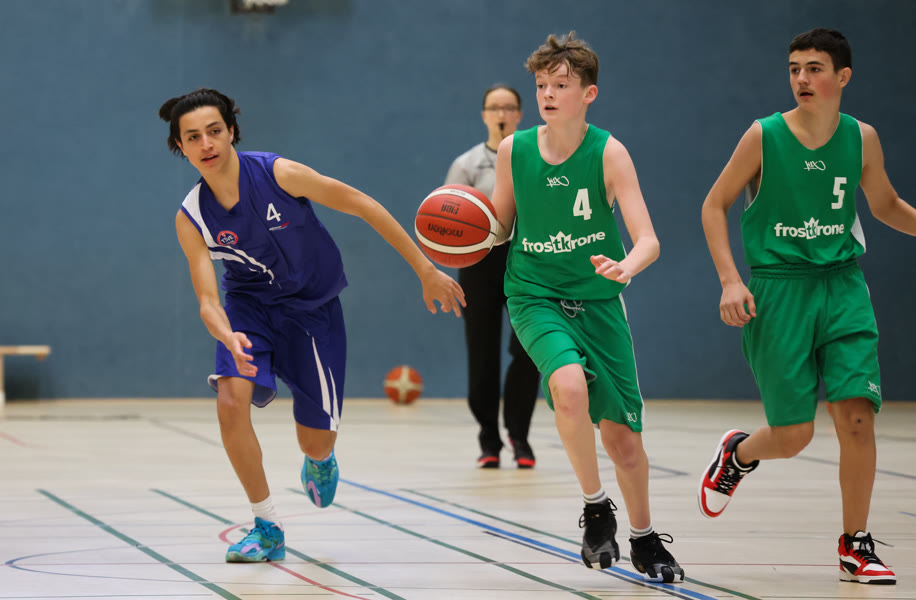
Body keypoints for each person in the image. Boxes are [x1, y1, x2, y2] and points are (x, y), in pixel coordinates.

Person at [698, 28, 916, 585]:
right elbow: (713, 205)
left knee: (855, 416)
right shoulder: (763, 135)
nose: (802, 78)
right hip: (779, 289)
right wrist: (730, 281)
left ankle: (856, 543)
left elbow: (886, 204)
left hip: (843, 286)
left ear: (843, 76)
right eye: (794, 69)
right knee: (793, 436)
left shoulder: (861, 138)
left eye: (815, 68)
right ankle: (740, 453)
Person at [161, 88, 464, 563]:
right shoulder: (192, 216)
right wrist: (225, 333)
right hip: (248, 310)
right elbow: (207, 300)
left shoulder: (279, 174)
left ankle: (320, 460)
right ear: (181, 146)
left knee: (315, 441)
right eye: (193, 137)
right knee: (230, 401)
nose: (207, 144)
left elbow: (362, 204)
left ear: (232, 131)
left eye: (214, 131)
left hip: (312, 310)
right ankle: (267, 527)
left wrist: (425, 269)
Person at [489, 32, 683, 582]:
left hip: (599, 302)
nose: (548, 94)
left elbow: (648, 239)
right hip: (534, 296)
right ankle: (596, 508)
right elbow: (498, 227)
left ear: (589, 93)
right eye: (541, 85)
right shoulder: (514, 151)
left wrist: (627, 266)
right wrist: (459, 232)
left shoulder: (609, 153)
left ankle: (644, 536)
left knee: (624, 442)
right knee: (568, 388)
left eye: (561, 85)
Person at [444, 84, 541, 469]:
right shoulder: (466, 164)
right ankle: (488, 438)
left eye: (509, 107)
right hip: (480, 262)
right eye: (494, 107)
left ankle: (520, 436)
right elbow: (448, 217)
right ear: (484, 115)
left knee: (527, 350)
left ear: (520, 114)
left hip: (527, 258)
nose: (502, 113)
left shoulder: (535, 158)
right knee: (481, 352)